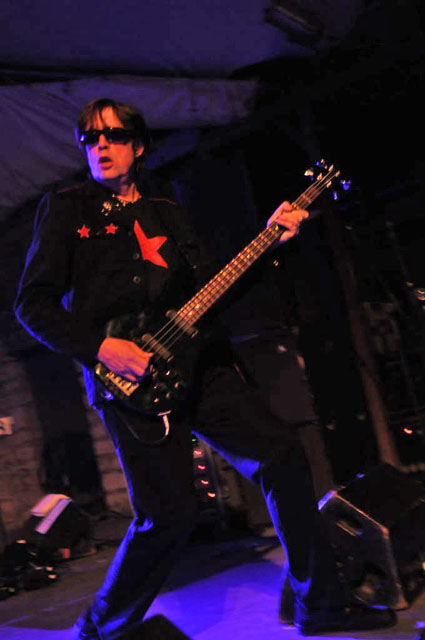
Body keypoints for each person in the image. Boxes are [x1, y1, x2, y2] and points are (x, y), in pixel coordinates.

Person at [15, 98, 396, 639]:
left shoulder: (165, 209)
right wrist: (99, 347)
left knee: (282, 456)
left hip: (199, 364)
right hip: (127, 379)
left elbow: (212, 291)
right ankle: (98, 630)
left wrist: (270, 243)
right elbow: (32, 305)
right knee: (168, 514)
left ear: (138, 146)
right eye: (90, 137)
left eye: (114, 135)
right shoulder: (66, 208)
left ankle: (321, 604)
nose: (100, 145)